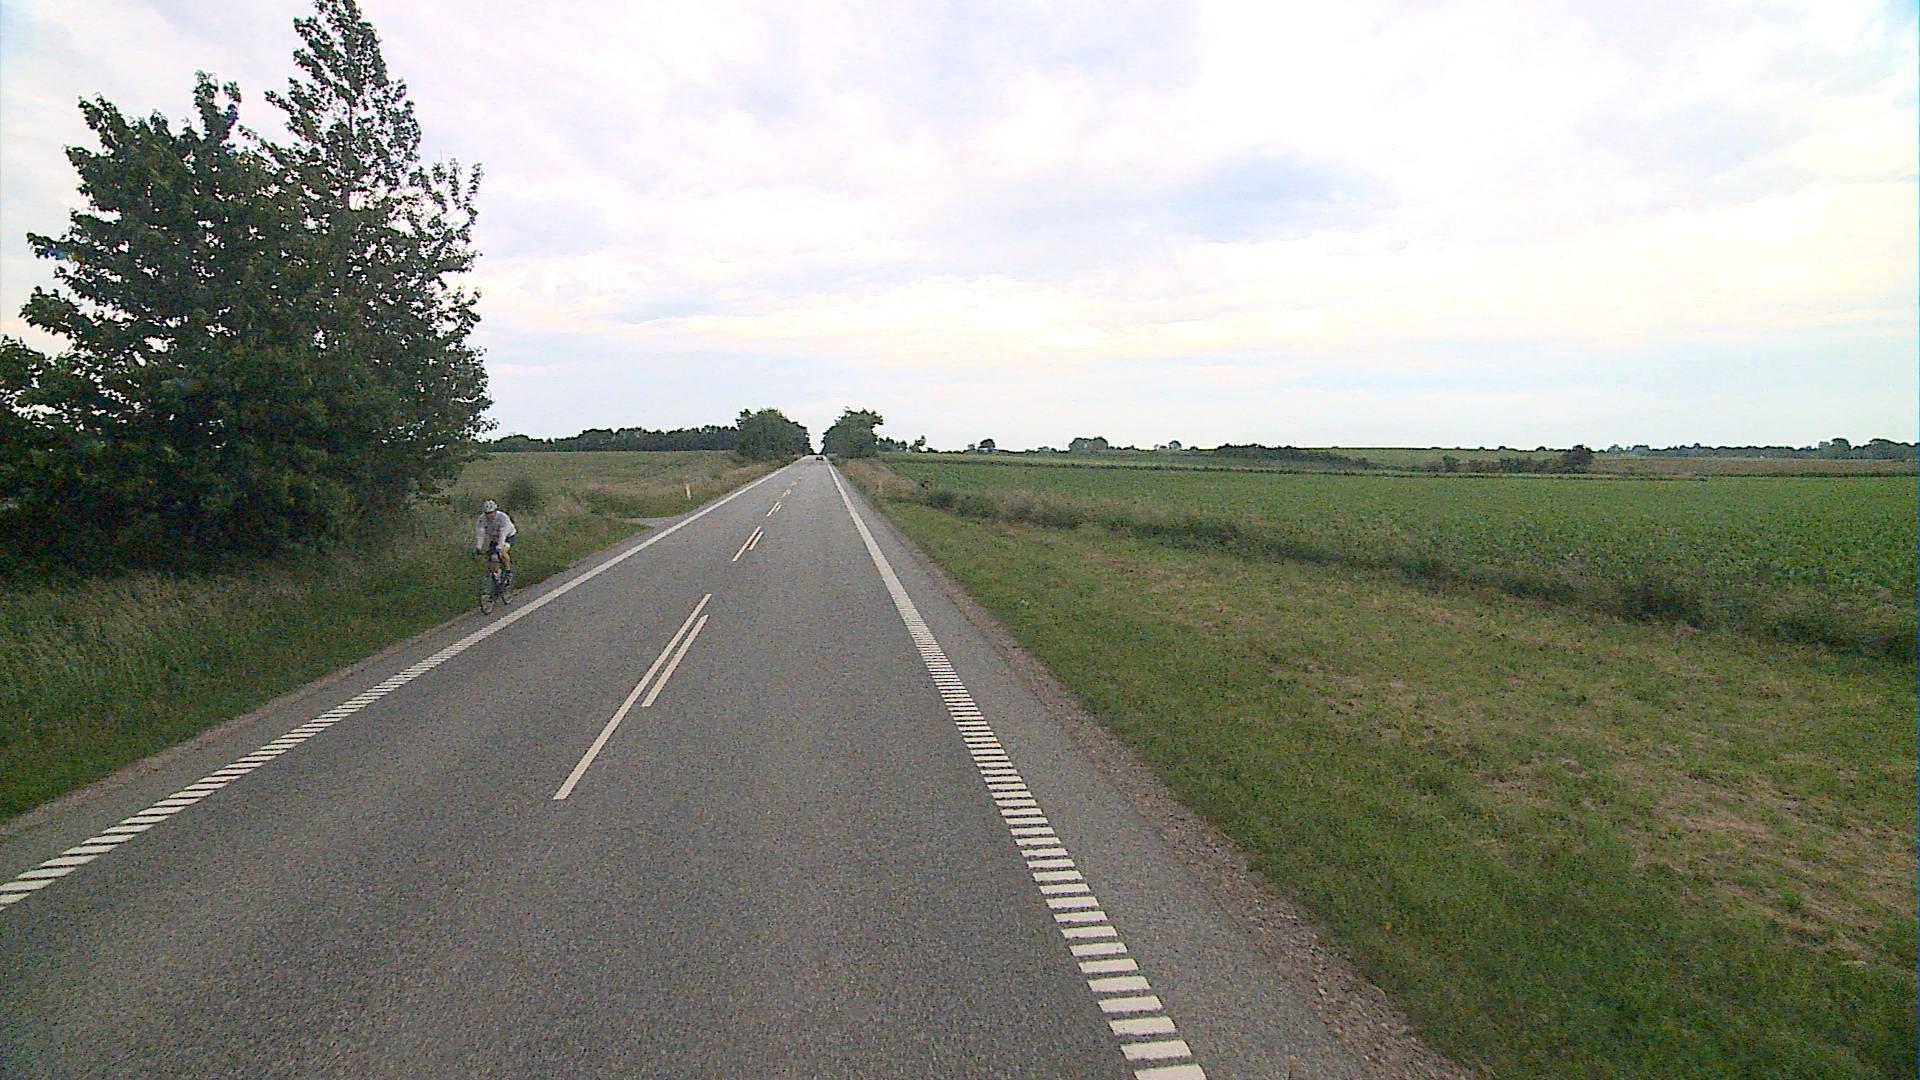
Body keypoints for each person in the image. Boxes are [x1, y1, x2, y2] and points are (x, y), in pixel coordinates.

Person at [474, 499, 517, 587]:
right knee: (493, 557)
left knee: (502, 552)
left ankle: (508, 572)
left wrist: (500, 546)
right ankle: (497, 577)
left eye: (491, 512)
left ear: (495, 511)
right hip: (495, 539)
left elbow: (503, 533)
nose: (489, 515)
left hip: (508, 536)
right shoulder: (482, 519)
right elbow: (480, 533)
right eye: (487, 513)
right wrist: (478, 547)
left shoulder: (502, 517)